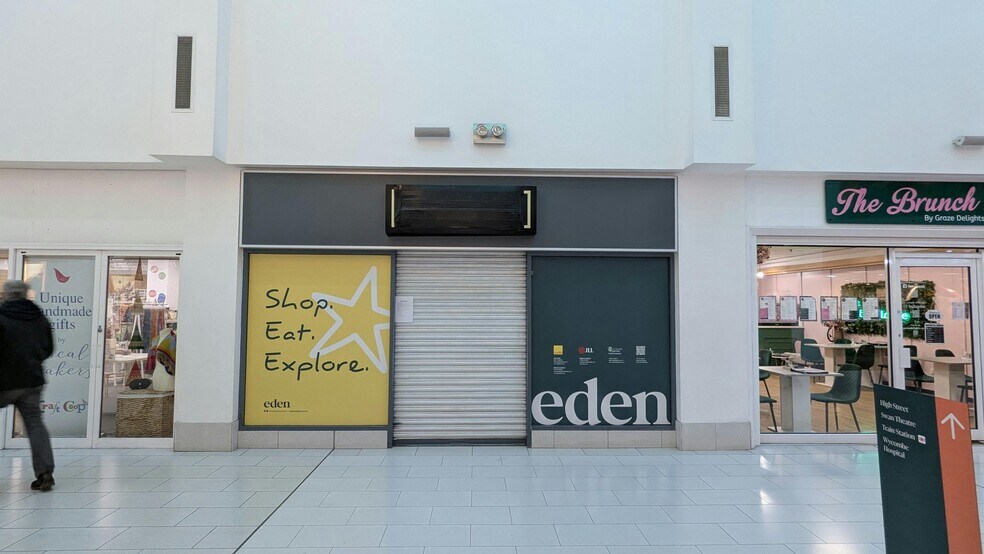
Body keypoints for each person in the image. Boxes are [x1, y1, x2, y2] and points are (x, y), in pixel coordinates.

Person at [0, 280, 55, 491]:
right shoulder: (38, 317)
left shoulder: (2, 315)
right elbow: (48, 348)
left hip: (3, 381)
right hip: (32, 380)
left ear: (6, 294)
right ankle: (44, 472)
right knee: (35, 425)